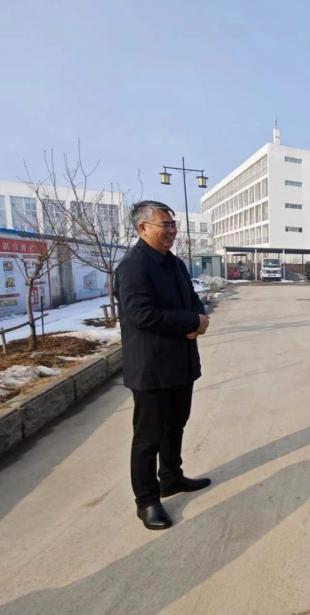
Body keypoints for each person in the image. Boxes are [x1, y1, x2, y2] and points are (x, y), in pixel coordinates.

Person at [115, 200, 212, 530]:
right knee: (148, 437)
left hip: (180, 363)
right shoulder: (133, 266)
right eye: (164, 225)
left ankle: (171, 477)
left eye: (173, 224)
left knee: (176, 424)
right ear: (142, 228)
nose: (171, 231)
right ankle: (147, 500)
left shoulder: (175, 263)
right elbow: (140, 315)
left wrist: (199, 318)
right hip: (152, 367)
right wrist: (190, 321)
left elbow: (192, 299)